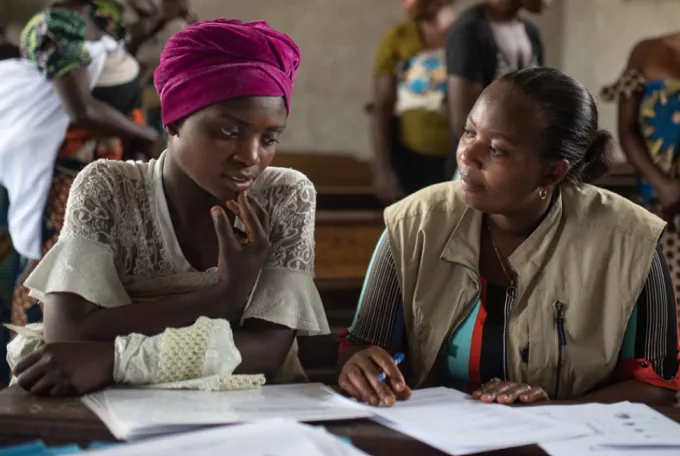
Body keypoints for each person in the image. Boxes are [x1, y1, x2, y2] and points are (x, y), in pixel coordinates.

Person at [9, 18, 329, 396]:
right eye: (229, 132)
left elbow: (267, 351)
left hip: (250, 406)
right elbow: (67, 334)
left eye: (270, 137)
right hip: (116, 409)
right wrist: (223, 296)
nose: (251, 157)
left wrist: (114, 360)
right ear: (174, 120)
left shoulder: (284, 195)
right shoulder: (109, 187)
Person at [338, 67, 680, 407]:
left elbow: (657, 384)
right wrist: (360, 366)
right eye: (469, 132)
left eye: (497, 149)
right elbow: (364, 346)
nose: (467, 155)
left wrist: (547, 414)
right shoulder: (415, 224)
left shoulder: (631, 241)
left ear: (552, 171)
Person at [0, 0, 199, 338]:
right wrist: (146, 134)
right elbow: (80, 107)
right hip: (71, 176)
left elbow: (121, 62)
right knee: (57, 273)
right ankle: (38, 357)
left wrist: (157, 18)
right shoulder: (53, 26)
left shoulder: (101, 16)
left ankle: (89, 355)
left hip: (110, 167)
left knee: (106, 274)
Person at [602, 34, 680, 302]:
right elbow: (627, 131)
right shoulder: (646, 51)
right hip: (656, 203)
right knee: (658, 307)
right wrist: (664, 186)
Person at [446, 0, 549, 176]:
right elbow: (463, 122)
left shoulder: (530, 32)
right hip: (481, 167)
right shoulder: (469, 31)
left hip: (521, 163)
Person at [371, 0, 458, 204]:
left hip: (460, 158)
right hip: (410, 159)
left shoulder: (467, 35)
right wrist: (382, 169)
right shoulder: (399, 36)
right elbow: (381, 107)